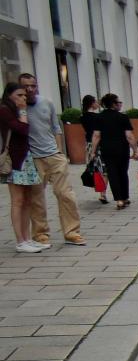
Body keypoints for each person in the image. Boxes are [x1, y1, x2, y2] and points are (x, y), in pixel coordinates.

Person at [21, 73, 86, 247]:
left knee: (65, 194)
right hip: (33, 157)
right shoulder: (17, 107)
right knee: (36, 198)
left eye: (33, 85)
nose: (30, 89)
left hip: (53, 155)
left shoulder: (46, 103)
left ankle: (72, 232)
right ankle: (40, 233)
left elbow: (56, 127)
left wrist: (60, 152)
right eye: (26, 86)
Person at [0, 83, 44, 252]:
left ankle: (27, 238)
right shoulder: (4, 110)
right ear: (9, 95)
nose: (23, 98)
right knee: (18, 200)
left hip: (25, 157)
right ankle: (20, 240)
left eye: (24, 95)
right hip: (14, 159)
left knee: (26, 200)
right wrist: (23, 111)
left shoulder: (15, 110)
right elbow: (22, 129)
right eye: (19, 95)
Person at [87, 93, 138, 208]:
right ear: (113, 104)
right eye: (118, 102)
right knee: (123, 172)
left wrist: (93, 151)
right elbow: (129, 136)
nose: (119, 104)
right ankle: (125, 197)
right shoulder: (123, 117)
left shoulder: (99, 117)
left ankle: (119, 200)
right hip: (122, 149)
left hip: (107, 149)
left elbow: (96, 136)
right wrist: (135, 150)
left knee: (112, 174)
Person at [80, 95, 108, 204]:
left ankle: (101, 191)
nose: (97, 104)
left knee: (95, 168)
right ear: (91, 103)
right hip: (99, 144)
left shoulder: (82, 117)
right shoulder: (97, 117)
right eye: (96, 101)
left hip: (89, 144)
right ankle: (103, 194)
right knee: (105, 169)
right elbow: (98, 134)